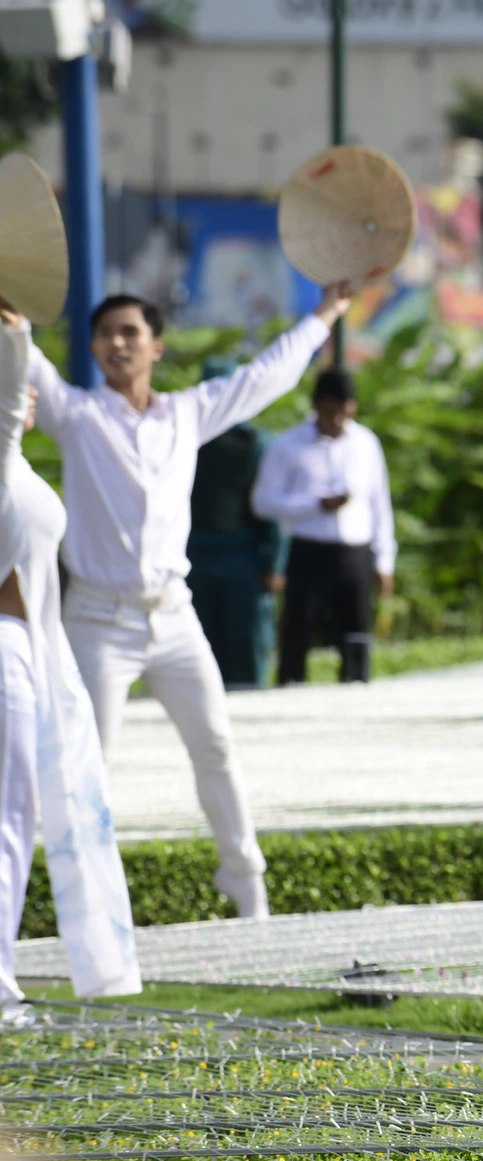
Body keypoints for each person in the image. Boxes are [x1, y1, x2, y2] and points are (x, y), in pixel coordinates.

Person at [27, 286, 350, 919]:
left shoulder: (186, 413)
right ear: (91, 347)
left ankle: (244, 880)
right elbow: (25, 359)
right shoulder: (77, 414)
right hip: (98, 620)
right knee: (90, 766)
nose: (117, 344)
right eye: (106, 335)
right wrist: (12, 312)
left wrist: (325, 315)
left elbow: (266, 377)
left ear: (156, 345)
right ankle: (88, 907)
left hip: (173, 615)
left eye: (129, 333)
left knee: (217, 746)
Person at [0, 302, 141, 1002]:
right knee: (8, 821)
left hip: (36, 654)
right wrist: (17, 333)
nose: (28, 399)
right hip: (5, 655)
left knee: (32, 819)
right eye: (18, 389)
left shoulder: (16, 465)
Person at [253, 368, 396, 686]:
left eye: (344, 412)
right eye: (330, 412)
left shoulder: (365, 443)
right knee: (299, 629)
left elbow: (379, 504)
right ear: (316, 405)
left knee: (356, 633)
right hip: (309, 550)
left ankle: (357, 691)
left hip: (355, 552)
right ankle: (291, 690)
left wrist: (385, 559)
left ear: (353, 408)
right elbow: (263, 502)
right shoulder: (287, 445)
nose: (337, 420)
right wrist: (315, 505)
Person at [187, 358, 288, 687]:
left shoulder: (255, 443)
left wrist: (275, 563)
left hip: (242, 553)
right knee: (201, 644)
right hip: (194, 553)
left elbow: (272, 508)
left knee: (245, 641)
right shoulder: (185, 437)